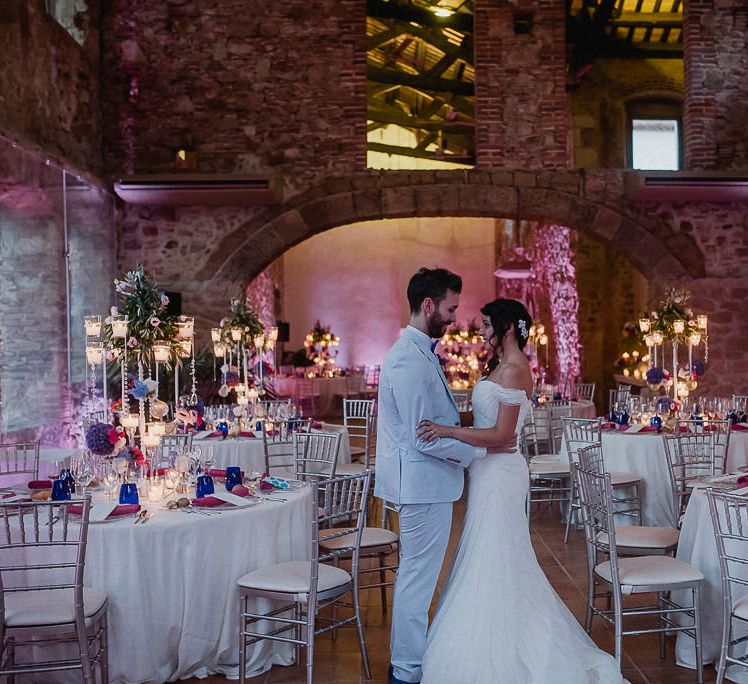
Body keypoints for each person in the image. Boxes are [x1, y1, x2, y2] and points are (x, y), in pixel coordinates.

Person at [415, 298, 625, 683]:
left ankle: (501, 641)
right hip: (487, 472)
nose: (480, 331)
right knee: (487, 549)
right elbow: (485, 420)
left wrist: (446, 431)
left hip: (501, 475)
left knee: (495, 552)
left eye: (486, 324)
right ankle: (495, 624)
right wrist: (448, 418)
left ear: (507, 327)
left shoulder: (514, 370)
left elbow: (502, 436)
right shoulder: (501, 367)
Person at [375, 268, 517, 684]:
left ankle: (410, 661)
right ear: (428, 305)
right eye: (451, 308)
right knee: (417, 578)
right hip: (421, 483)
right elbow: (423, 436)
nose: (455, 317)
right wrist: (479, 453)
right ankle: (407, 668)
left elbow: (439, 422)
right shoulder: (406, 359)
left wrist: (468, 428)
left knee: (417, 575)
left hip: (428, 482)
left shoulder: (421, 352)